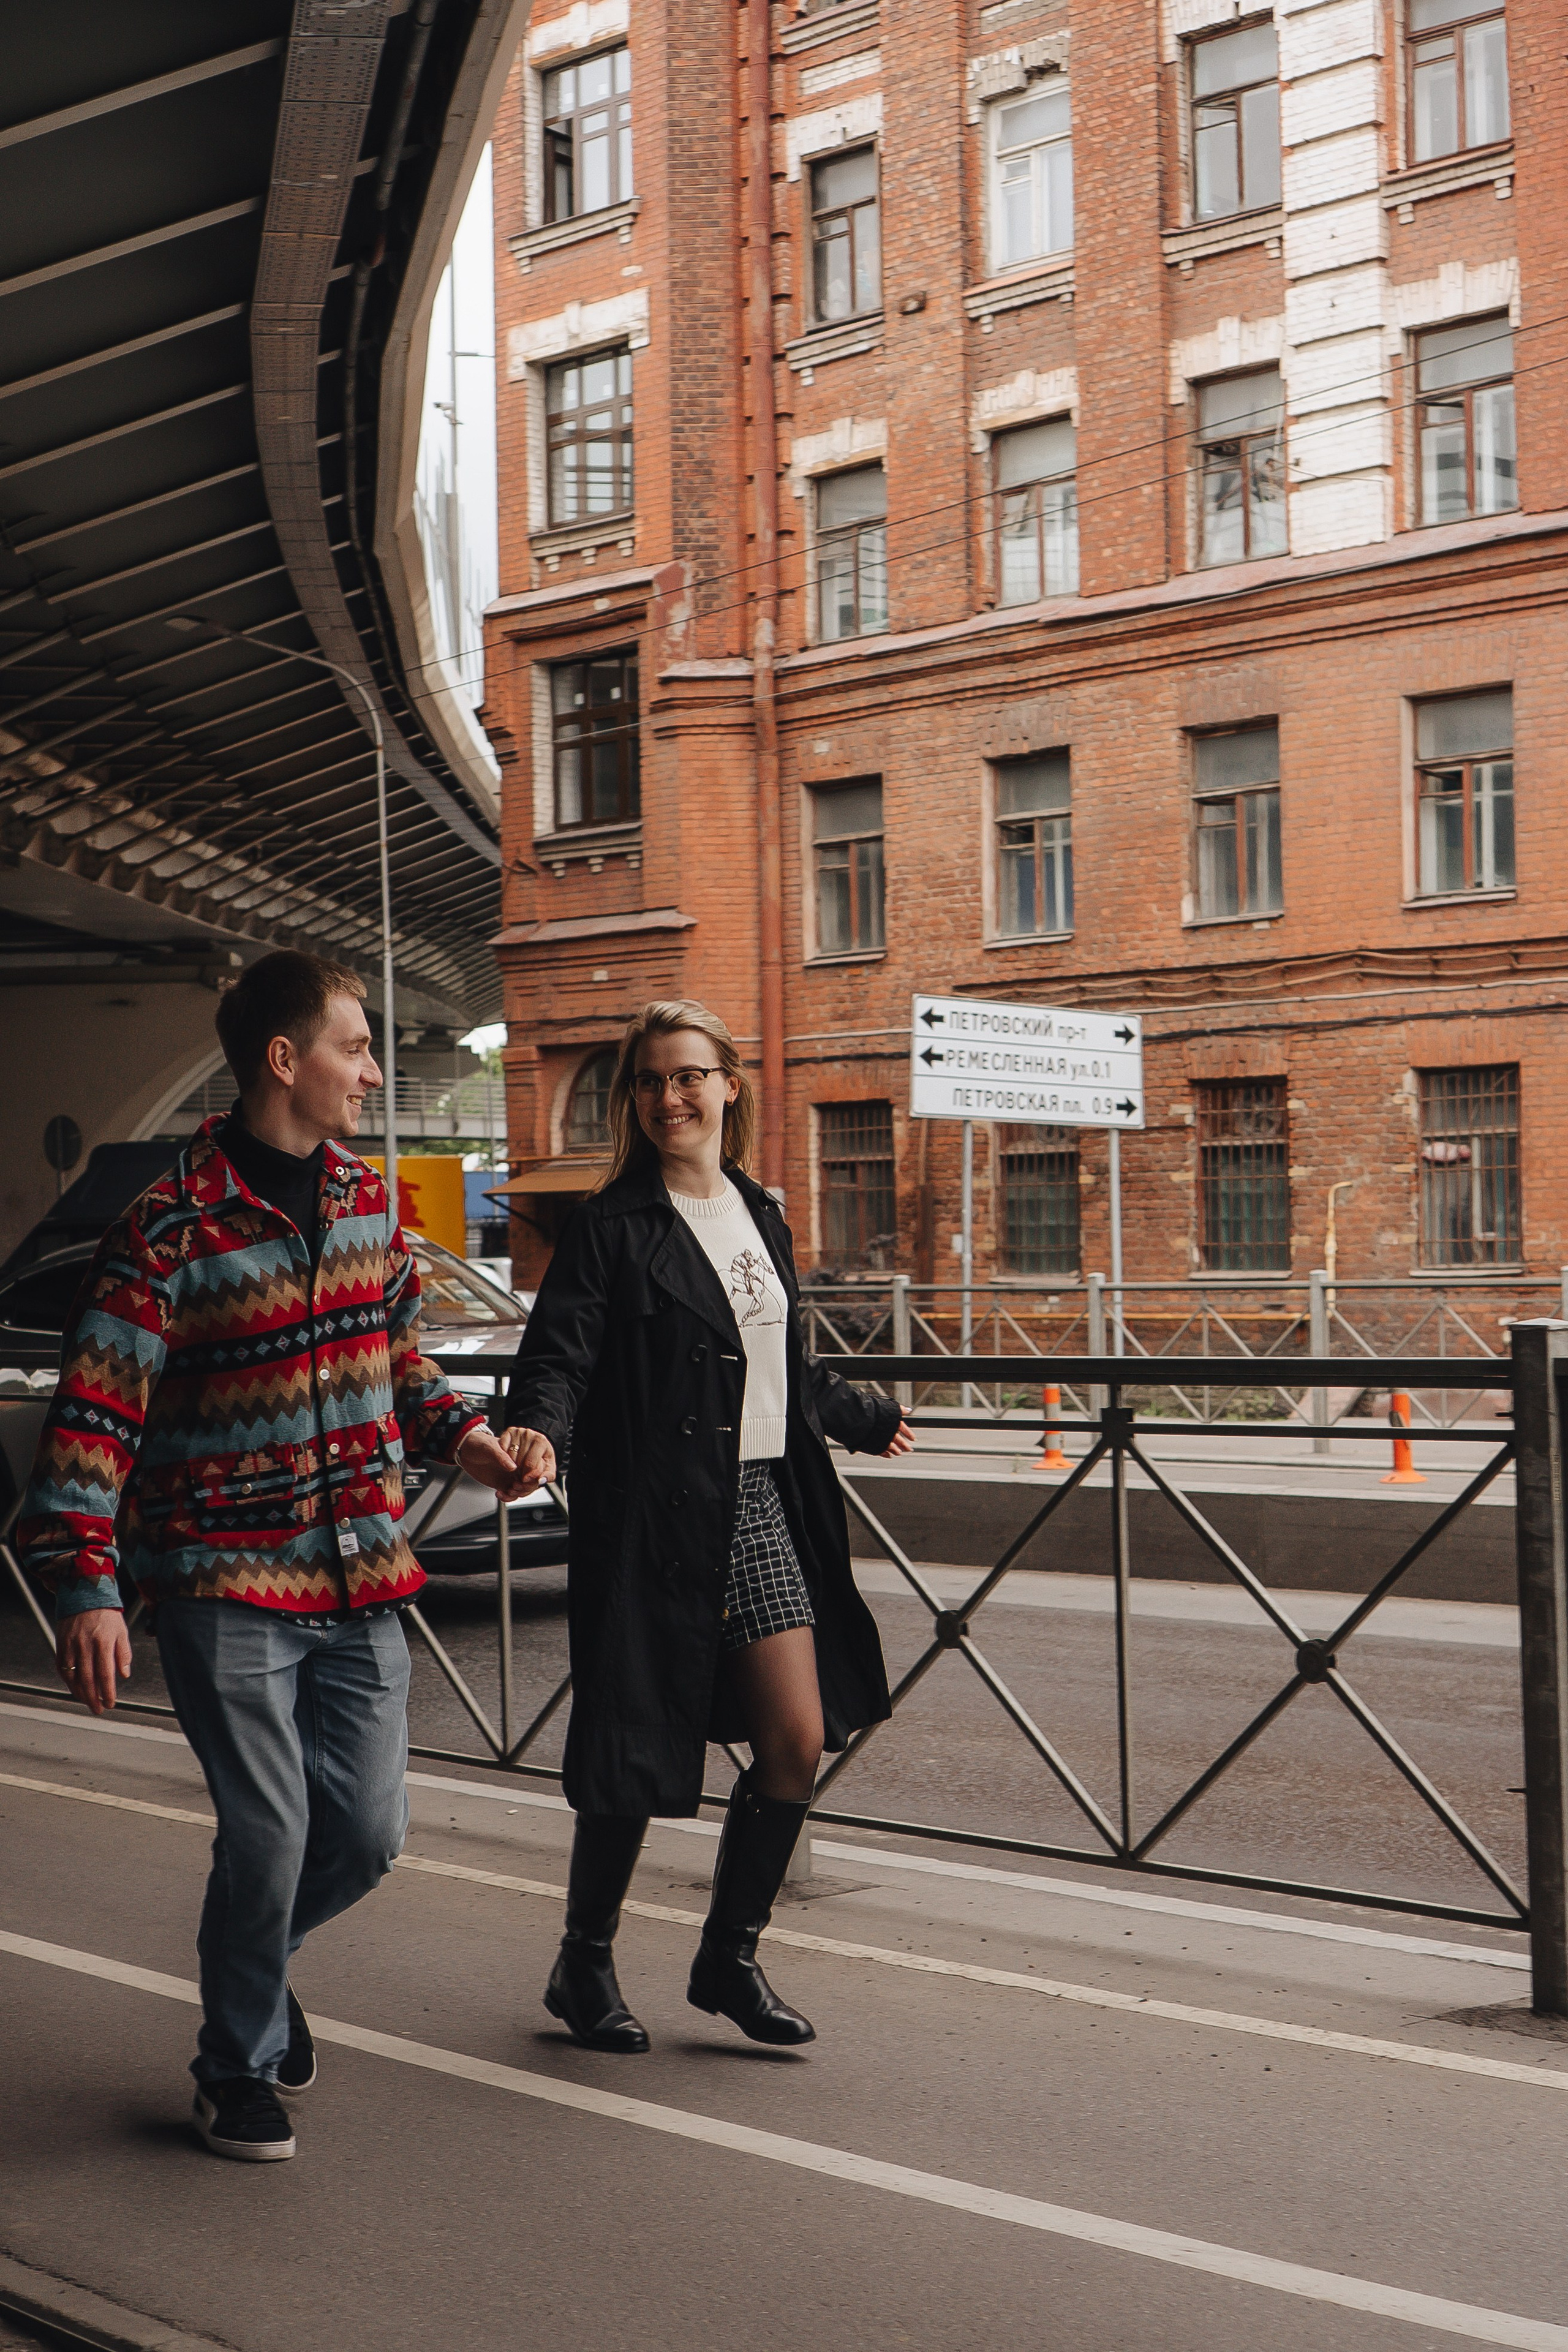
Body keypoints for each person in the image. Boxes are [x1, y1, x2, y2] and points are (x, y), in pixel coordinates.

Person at [18, 951, 532, 2162]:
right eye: (355, 1048)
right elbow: (95, 1417)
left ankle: (258, 1971)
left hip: (361, 1571)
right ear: (285, 1062)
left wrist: (470, 1443)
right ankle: (230, 2067)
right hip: (221, 1580)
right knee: (271, 1835)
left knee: (365, 1835)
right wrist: (88, 1585)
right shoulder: (169, 1227)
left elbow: (403, 1369)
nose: (370, 1070)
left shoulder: (365, 1203)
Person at [503, 998, 914, 2052]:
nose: (668, 1097)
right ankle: (582, 1964)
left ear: (730, 1086)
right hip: (653, 1514)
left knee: (797, 1739)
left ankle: (727, 1959)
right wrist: (538, 1433)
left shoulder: (758, 1209)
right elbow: (559, 1357)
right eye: (647, 1081)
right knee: (636, 1743)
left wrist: (858, 1414)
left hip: (763, 1503)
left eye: (688, 1076)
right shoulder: (614, 1225)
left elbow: (775, 1361)